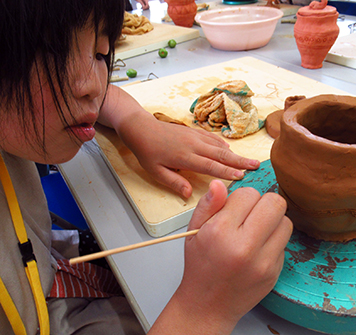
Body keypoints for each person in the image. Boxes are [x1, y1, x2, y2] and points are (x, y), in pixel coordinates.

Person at [0, 1, 292, 334]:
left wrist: (136, 122)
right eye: (54, 51)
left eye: (99, 54)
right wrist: (203, 310)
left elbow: (106, 94)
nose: (93, 86)